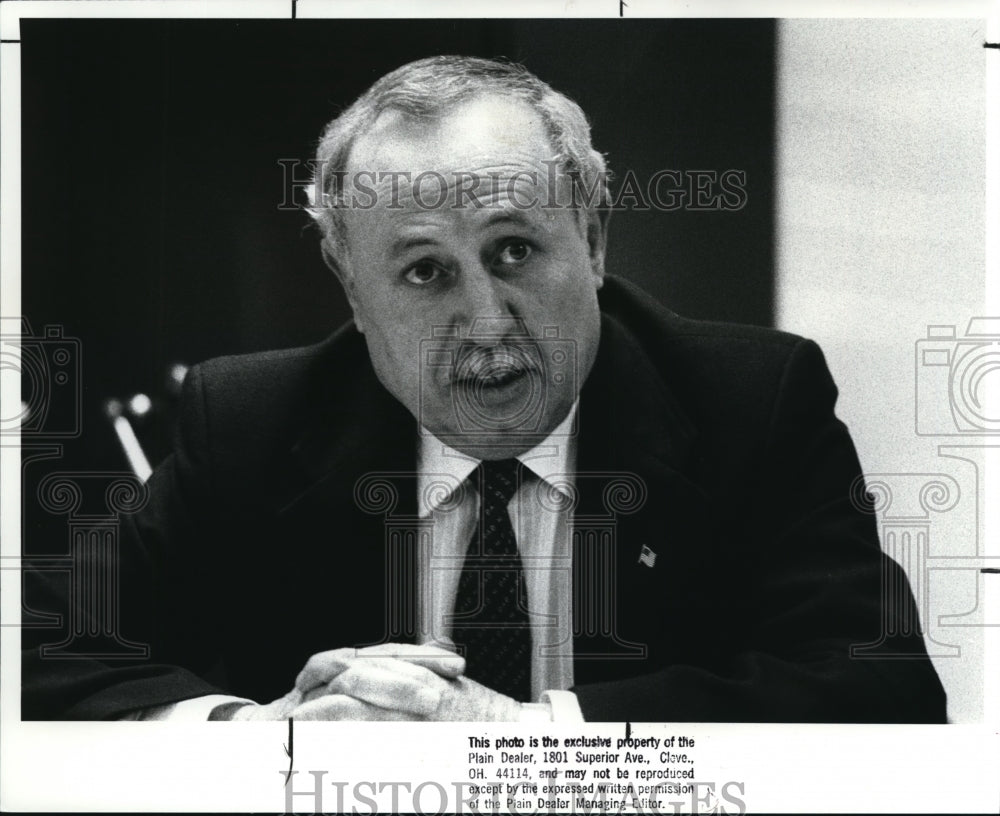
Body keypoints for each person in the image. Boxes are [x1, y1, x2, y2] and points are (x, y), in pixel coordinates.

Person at [22, 55, 946, 722]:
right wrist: (250, 738)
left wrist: (528, 742)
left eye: (515, 251)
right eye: (425, 272)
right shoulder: (256, 420)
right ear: (351, 289)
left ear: (592, 241)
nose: (489, 322)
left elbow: (885, 691)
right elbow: (36, 642)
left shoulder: (750, 400)